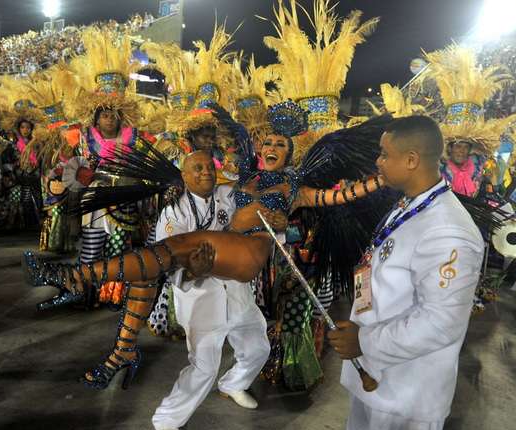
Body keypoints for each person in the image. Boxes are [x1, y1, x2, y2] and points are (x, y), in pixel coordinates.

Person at [23, 103, 389, 391]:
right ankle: (121, 350)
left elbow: (338, 197)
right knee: (152, 267)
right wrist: (179, 182)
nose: (273, 147)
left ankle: (77, 277)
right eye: (270, 143)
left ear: (291, 152)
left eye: (282, 144)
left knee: (177, 248)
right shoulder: (241, 180)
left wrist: (379, 182)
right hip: (225, 264)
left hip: (252, 260)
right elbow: (207, 174)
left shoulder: (295, 188)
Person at [328, 115, 484, 430]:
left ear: (412, 159)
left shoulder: (448, 230)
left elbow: (442, 322)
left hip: (407, 393)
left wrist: (364, 341)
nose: (378, 162)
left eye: (384, 154)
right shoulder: (408, 205)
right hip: (374, 377)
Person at [152, 150, 285, 430]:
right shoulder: (175, 211)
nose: (206, 173)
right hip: (201, 298)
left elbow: (255, 219)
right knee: (204, 366)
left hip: (237, 291)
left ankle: (234, 384)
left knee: (258, 347)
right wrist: (189, 272)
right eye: (196, 169)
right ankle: (167, 419)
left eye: (209, 167)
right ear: (184, 176)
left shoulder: (228, 195)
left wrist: (276, 223)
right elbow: (166, 256)